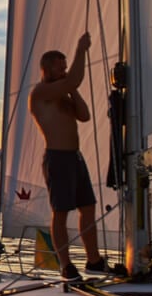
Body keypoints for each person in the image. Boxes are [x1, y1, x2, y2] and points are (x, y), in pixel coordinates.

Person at [29, 32, 112, 282]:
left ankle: (94, 260)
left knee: (88, 207)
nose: (65, 71)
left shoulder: (63, 94)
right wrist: (81, 49)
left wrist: (72, 90)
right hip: (57, 158)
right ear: (47, 69)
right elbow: (75, 78)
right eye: (60, 68)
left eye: (65, 67)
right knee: (61, 212)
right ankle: (65, 264)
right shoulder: (41, 93)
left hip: (75, 157)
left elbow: (84, 115)